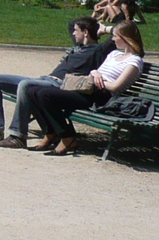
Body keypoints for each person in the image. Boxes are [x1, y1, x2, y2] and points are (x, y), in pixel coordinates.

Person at [0, 17, 112, 147]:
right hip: (44, 80)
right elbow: (71, 23)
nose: (73, 33)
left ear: (86, 32)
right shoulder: (78, 47)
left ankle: (18, 136)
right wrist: (92, 27)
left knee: (25, 85)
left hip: (59, 85)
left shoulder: (98, 50)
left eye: (76, 31)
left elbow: (124, 32)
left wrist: (104, 29)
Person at [21, 21, 146, 156]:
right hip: (88, 89)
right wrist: (95, 73)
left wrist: (100, 80)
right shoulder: (114, 54)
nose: (113, 39)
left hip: (102, 97)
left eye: (116, 36)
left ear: (125, 38)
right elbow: (94, 72)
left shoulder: (134, 61)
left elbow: (116, 87)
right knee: (32, 91)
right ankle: (50, 134)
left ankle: (67, 138)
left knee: (45, 95)